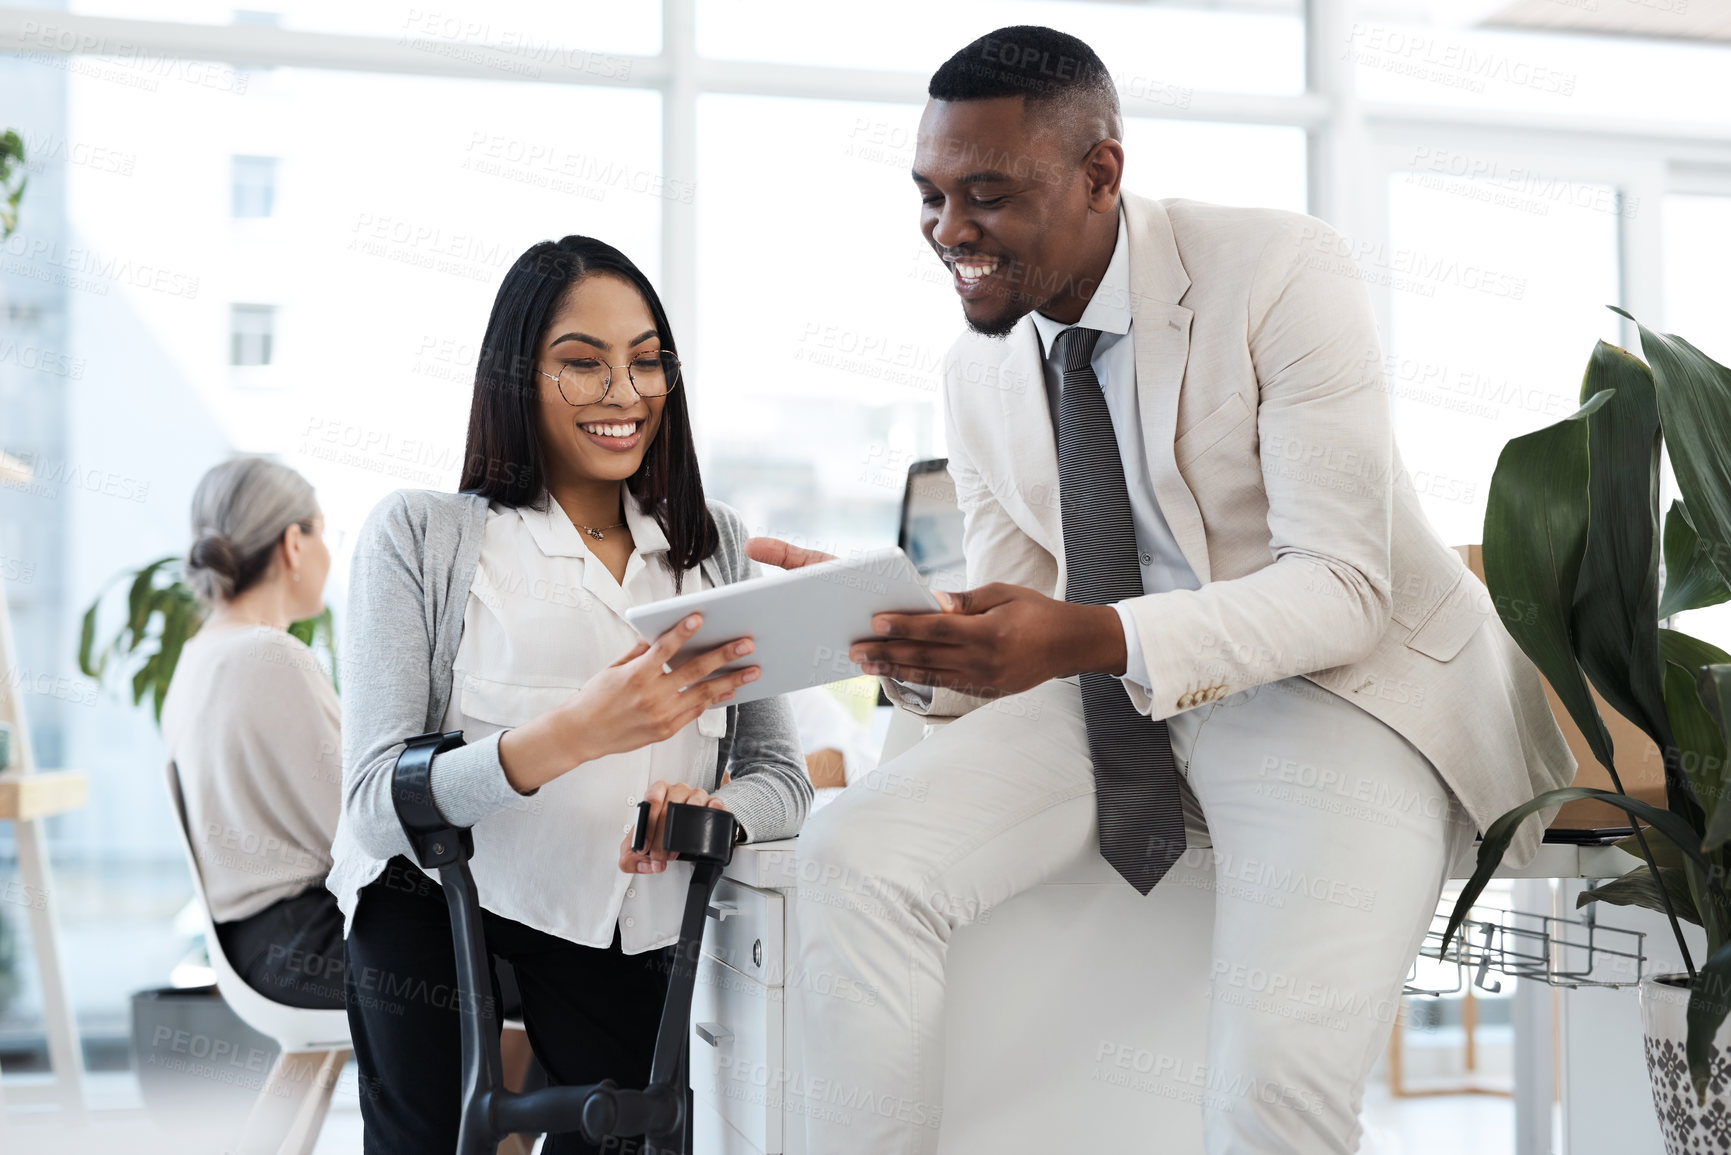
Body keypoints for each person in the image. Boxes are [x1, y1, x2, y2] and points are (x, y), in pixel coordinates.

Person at [748, 26, 1575, 1154]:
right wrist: (915, 646)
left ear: (1102, 173)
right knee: (856, 860)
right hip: (1118, 695)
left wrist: (1087, 635)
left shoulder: (1282, 271)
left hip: (1339, 695)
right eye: (932, 197)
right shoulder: (979, 366)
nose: (950, 234)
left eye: (986, 195)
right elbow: (1022, 602)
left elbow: (1342, 587)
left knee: (1271, 1090)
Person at [329, 235, 812, 1153]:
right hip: (436, 900)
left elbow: (781, 777)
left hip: (617, 918)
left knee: (629, 1131)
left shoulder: (713, 546)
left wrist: (711, 810)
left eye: (644, 362)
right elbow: (374, 803)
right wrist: (575, 734)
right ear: (517, 378)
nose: (623, 393)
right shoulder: (422, 536)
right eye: (581, 365)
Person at [161, 457, 344, 1010]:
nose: (330, 557)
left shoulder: (199, 655)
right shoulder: (271, 655)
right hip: (310, 941)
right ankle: (503, 1101)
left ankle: (493, 1100)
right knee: (534, 951)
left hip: (260, 947)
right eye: (324, 533)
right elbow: (361, 827)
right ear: (293, 544)